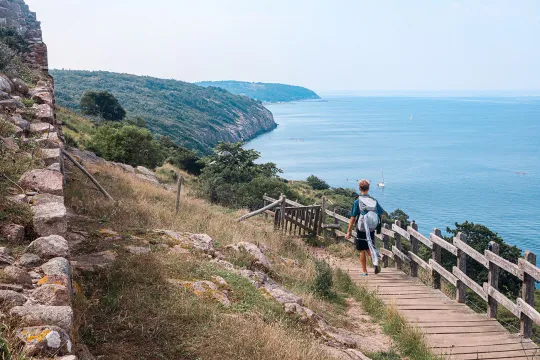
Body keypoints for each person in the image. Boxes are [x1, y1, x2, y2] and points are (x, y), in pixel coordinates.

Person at [345, 179, 384, 276]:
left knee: (362, 250)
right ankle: (375, 262)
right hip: (371, 227)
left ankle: (364, 272)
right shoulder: (373, 201)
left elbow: (353, 218)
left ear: (359, 188)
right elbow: (381, 214)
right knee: (369, 246)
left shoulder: (357, 201)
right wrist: (377, 225)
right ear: (368, 188)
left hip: (362, 228)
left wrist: (348, 231)